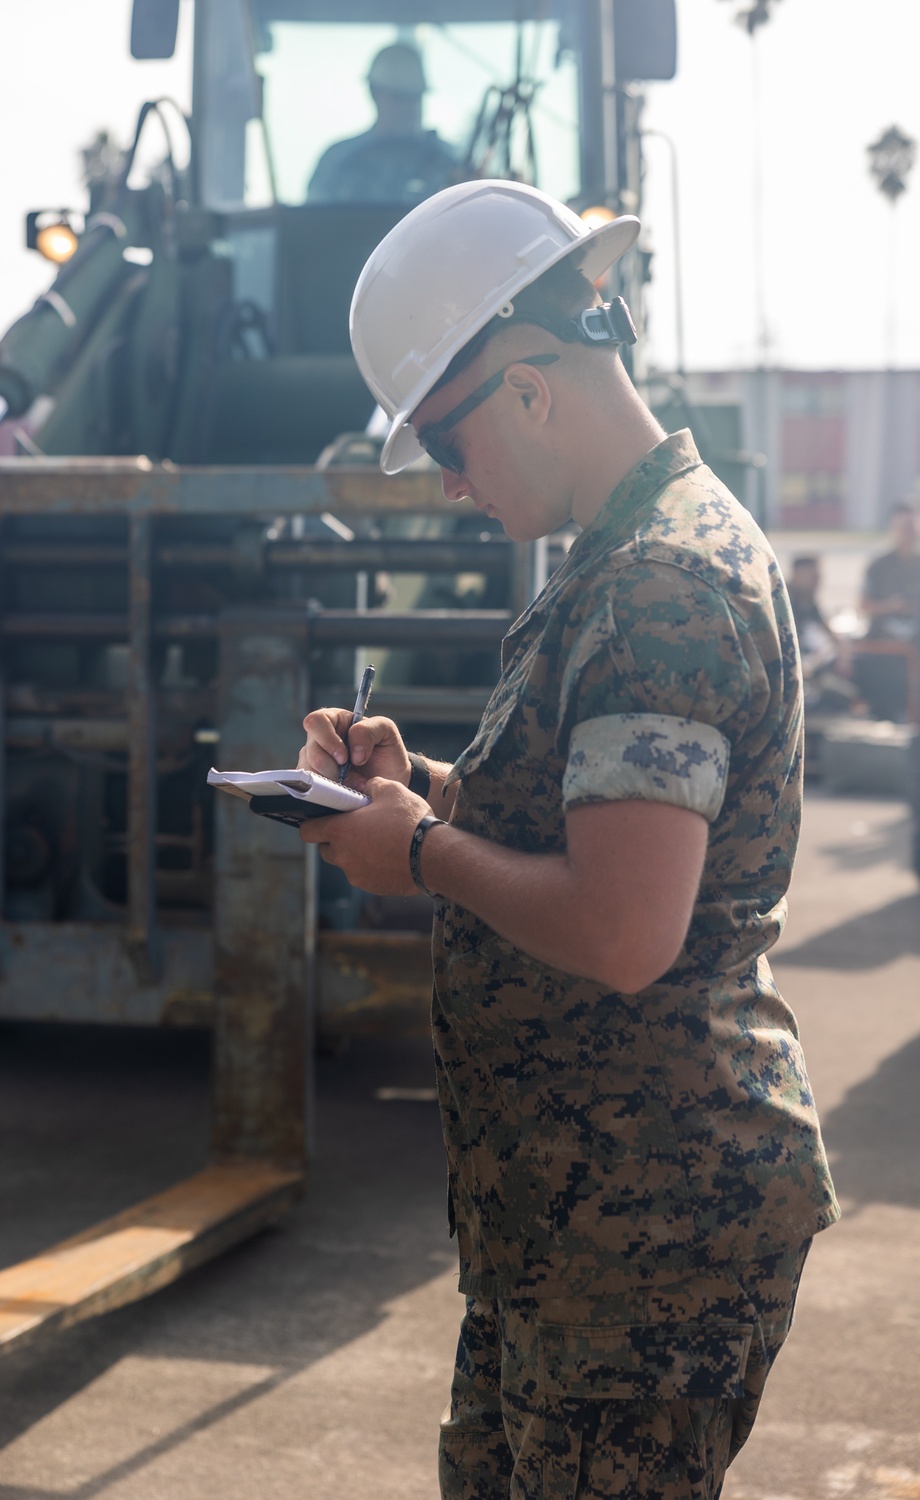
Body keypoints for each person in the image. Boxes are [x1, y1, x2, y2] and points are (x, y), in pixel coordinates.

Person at [297, 181, 839, 1500]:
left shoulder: (662, 581)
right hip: (569, 1222)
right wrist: (416, 786)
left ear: (531, 390)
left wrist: (419, 851)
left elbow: (622, 927)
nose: (448, 477)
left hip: (645, 1242)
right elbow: (589, 822)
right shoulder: (618, 559)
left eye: (445, 437)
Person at [306, 42, 458, 206]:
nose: (408, 108)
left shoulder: (449, 163)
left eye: (414, 97)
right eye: (399, 98)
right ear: (374, 93)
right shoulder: (338, 161)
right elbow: (312, 223)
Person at [855, 503, 920, 720]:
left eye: (911, 527)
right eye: (903, 527)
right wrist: (890, 607)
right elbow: (863, 606)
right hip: (884, 645)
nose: (908, 533)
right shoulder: (879, 565)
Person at [787, 554, 857, 715]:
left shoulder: (807, 600)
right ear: (798, 574)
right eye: (813, 576)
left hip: (809, 665)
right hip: (792, 668)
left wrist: (843, 655)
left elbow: (829, 631)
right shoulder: (785, 600)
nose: (817, 581)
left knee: (846, 695)